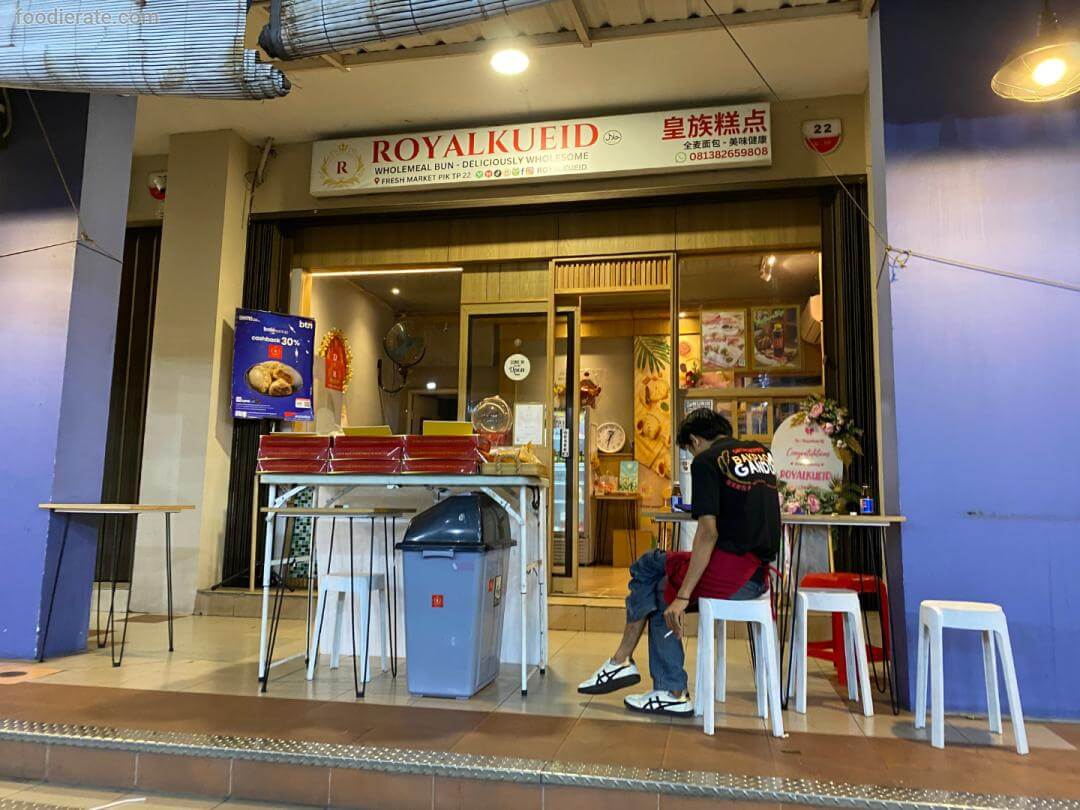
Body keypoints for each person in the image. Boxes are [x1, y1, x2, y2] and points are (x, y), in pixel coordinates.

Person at [577, 408, 781, 716]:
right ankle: (623, 661)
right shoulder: (759, 452)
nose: (690, 455)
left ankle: (664, 686)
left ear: (696, 440)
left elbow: (708, 533)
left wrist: (683, 596)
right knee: (648, 563)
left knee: (663, 590)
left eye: (688, 448)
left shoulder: (706, 461)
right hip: (758, 575)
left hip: (734, 573)